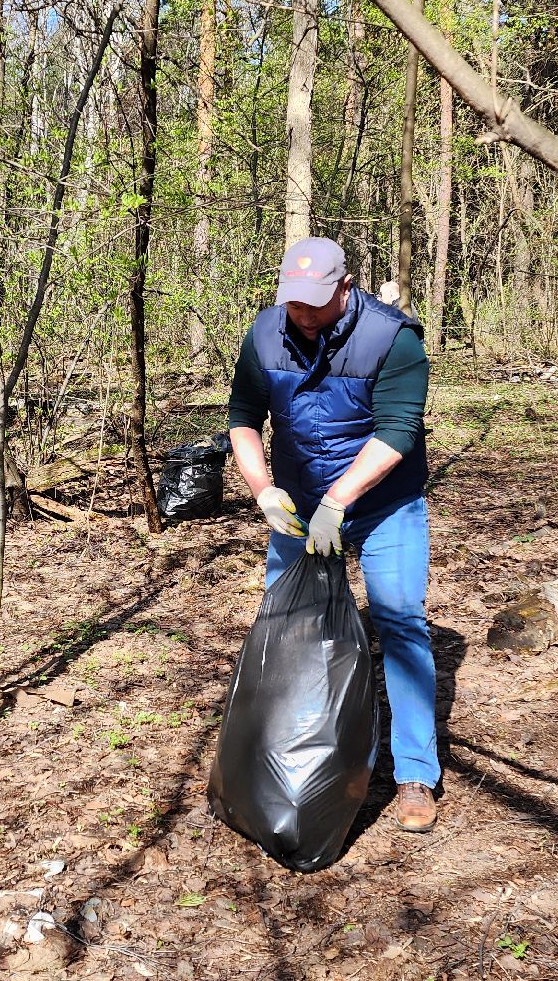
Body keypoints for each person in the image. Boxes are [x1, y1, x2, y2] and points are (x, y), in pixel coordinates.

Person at [226, 235, 439, 833]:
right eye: (294, 303)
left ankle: (415, 773)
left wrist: (340, 501)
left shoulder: (393, 339)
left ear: (345, 287)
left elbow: (398, 432)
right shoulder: (266, 333)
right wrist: (263, 489)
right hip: (296, 506)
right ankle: (281, 763)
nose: (303, 315)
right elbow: (244, 419)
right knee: (288, 627)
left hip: (383, 507)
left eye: (315, 303)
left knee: (398, 622)